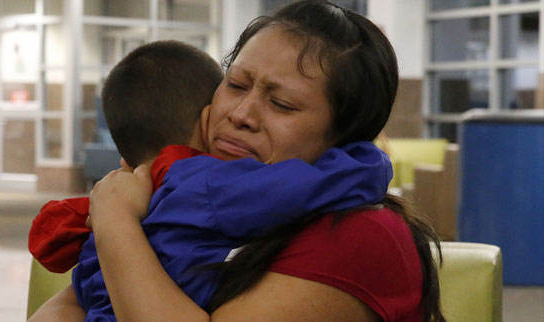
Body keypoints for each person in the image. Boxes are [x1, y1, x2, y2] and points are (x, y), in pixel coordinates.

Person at [33, 1, 447, 321]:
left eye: (282, 104)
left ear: (344, 137)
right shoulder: (187, 192)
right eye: (235, 84)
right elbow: (76, 303)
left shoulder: (361, 235)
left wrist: (114, 219)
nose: (241, 114)